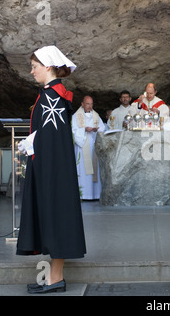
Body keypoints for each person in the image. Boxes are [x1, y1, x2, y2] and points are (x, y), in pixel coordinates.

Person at [16, 45, 86, 294]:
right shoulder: (53, 94)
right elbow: (49, 135)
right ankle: (53, 278)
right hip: (51, 166)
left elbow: (51, 138)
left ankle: (55, 279)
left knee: (54, 216)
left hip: (50, 170)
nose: (31, 71)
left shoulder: (51, 96)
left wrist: (33, 146)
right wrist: (33, 141)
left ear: (47, 66)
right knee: (53, 217)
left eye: (34, 67)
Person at [72, 95, 105, 200]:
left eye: (91, 104)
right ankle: (83, 194)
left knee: (94, 169)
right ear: (82, 104)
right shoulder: (76, 116)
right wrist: (84, 129)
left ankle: (95, 194)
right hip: (82, 148)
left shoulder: (96, 115)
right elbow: (73, 131)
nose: (89, 106)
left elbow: (103, 127)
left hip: (93, 147)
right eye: (87, 104)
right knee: (83, 171)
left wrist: (96, 130)